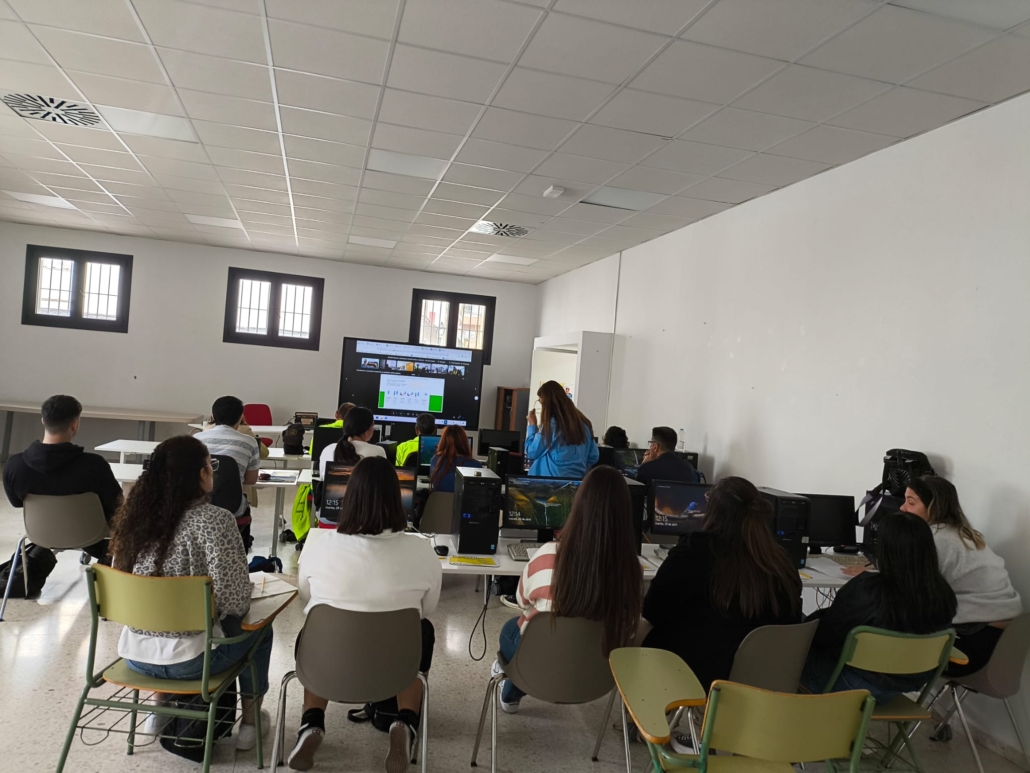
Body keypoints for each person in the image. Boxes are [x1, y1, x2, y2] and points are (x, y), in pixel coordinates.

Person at [110, 435, 272, 751]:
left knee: (161, 614)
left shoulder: (135, 518)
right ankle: (251, 725)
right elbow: (234, 603)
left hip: (135, 656)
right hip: (193, 661)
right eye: (211, 465)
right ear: (202, 473)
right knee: (261, 628)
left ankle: (157, 712)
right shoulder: (216, 520)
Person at [291, 456, 442, 772]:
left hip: (329, 665)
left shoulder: (320, 545)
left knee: (314, 629)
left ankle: (311, 722)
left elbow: (306, 597)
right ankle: (405, 721)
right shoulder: (421, 549)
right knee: (422, 630)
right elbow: (427, 608)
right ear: (398, 498)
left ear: (350, 496)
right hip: (395, 665)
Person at [494, 466, 643, 713]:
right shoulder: (632, 569)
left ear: (578, 505)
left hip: (540, 665)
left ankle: (511, 694)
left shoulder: (548, 554)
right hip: (596, 676)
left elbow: (521, 600)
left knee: (512, 629)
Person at [642, 476, 802, 691]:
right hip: (765, 683)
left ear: (714, 510)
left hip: (700, 677)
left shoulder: (693, 551)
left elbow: (652, 612)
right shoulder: (781, 561)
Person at [802, 512, 958, 702]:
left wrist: (813, 619)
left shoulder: (867, 589)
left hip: (851, 686)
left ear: (883, 550)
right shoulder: (943, 594)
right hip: (902, 688)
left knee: (792, 644)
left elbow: (825, 636)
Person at [902, 477, 1022, 676]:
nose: (903, 508)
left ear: (933, 506)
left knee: (877, 635)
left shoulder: (934, 538)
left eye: (911, 502)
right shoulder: (967, 535)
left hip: (971, 645)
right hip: (1003, 643)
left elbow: (909, 591)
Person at [2, 395, 122, 563]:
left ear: (43, 421)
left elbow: (16, 503)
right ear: (75, 425)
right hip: (91, 536)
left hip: (41, 535)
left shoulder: (15, 465)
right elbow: (117, 505)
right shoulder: (94, 465)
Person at [194, 396, 261, 550]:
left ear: (213, 416)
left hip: (198, 505)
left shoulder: (196, 439)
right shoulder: (249, 442)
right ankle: (239, 550)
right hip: (232, 508)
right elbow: (251, 479)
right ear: (240, 417)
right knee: (244, 503)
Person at [524, 380, 599, 478]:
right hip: (576, 481)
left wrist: (532, 425)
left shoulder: (551, 425)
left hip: (550, 482)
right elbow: (593, 456)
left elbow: (532, 452)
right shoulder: (584, 424)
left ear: (548, 405)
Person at [319, 407, 385, 479]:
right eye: (372, 425)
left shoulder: (328, 450)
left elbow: (322, 479)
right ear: (366, 431)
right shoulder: (378, 452)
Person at [632, 426, 697, 488]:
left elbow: (636, 489)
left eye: (651, 443)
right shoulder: (688, 467)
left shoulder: (647, 468)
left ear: (656, 447)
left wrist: (644, 464)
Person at [428, 426, 482, 493]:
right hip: (463, 500)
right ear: (464, 442)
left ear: (443, 442)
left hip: (439, 500)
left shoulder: (435, 461)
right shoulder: (476, 465)